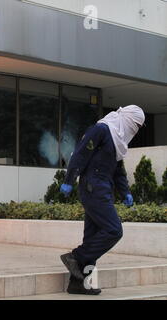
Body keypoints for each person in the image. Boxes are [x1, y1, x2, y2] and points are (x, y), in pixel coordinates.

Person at [59, 105, 145, 295]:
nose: (136, 130)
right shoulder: (102, 130)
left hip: (103, 188)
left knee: (92, 237)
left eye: (139, 127)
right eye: (135, 124)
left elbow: (118, 171)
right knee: (113, 230)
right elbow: (80, 153)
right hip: (92, 187)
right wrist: (69, 180)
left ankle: (78, 283)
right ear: (127, 118)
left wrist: (126, 193)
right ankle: (75, 257)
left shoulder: (118, 139)